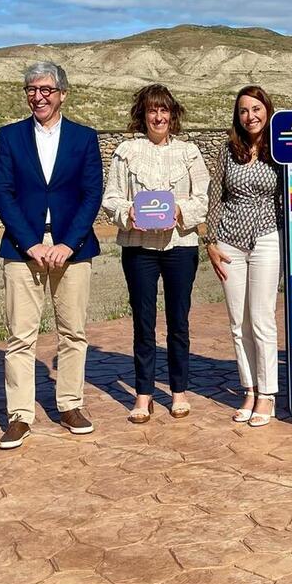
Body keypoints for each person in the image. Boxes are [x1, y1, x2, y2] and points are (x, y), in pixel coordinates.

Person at [0, 61, 103, 450]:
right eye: (32, 90)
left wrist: (68, 244)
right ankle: (20, 416)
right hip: (24, 251)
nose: (38, 96)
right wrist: (31, 244)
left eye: (46, 90)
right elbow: (2, 194)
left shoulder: (84, 138)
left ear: (62, 94)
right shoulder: (10, 137)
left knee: (73, 332)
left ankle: (70, 405)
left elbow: (92, 195)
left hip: (73, 249)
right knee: (21, 336)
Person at [102, 84, 210, 423]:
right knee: (143, 323)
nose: (158, 117)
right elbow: (112, 198)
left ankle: (178, 391)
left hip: (180, 246)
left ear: (172, 115)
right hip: (139, 248)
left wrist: (178, 212)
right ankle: (144, 395)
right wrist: (128, 215)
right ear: (143, 114)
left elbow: (203, 199)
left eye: (164, 110)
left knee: (179, 321)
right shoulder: (126, 152)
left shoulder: (189, 153)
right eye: (152, 110)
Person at [203, 86, 286, 428]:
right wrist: (209, 241)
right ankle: (249, 390)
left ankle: (268, 394)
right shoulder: (228, 150)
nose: (250, 116)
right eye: (243, 111)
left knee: (261, 317)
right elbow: (215, 195)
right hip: (230, 240)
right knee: (238, 322)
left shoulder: (280, 148)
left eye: (255, 109)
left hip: (268, 235)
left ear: (267, 110)